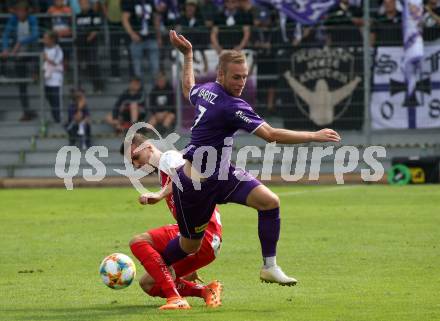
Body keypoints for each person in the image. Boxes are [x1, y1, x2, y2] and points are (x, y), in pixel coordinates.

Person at [163, 30, 341, 287]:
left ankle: (270, 266)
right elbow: (270, 135)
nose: (241, 83)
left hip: (222, 174)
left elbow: (189, 88)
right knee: (190, 245)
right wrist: (313, 134)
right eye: (236, 77)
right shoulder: (231, 106)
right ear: (221, 74)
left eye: (245, 77)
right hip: (195, 186)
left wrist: (188, 56)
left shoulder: (207, 91)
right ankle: (161, 263)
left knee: (270, 202)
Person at [121, 133, 223, 310]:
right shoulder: (164, 172)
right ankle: (206, 291)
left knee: (138, 242)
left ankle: (175, 298)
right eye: (132, 163)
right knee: (149, 283)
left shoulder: (169, 157)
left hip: (205, 231)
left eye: (136, 157)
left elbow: (185, 176)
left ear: (148, 146)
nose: (137, 165)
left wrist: (159, 195)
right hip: (202, 240)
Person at [1, 1, 39, 121]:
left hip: (32, 53)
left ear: (27, 11)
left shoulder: (32, 19)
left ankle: (36, 73)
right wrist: (5, 48)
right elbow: (6, 35)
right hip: (19, 55)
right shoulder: (13, 20)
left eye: (22, 11)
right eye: (18, 11)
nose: (20, 14)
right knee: (22, 85)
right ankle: (26, 111)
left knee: (39, 80)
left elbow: (35, 34)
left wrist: (20, 42)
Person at [121, 0, 161, 80]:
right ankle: (140, 91)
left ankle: (154, 90)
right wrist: (132, 34)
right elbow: (124, 19)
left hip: (151, 37)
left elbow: (156, 19)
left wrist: (158, 36)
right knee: (137, 70)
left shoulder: (150, 1)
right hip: (137, 39)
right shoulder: (130, 2)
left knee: (155, 68)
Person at [75, 0, 104, 93]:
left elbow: (97, 28)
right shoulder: (78, 16)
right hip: (80, 44)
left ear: (88, 4)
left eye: (84, 3)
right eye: (81, 4)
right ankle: (79, 88)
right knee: (78, 65)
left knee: (93, 63)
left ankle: (98, 86)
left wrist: (89, 37)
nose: (83, 5)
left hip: (91, 43)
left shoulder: (94, 14)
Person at [43, 30, 64, 123]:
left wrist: (46, 58)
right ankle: (54, 114)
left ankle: (58, 118)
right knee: (48, 96)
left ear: (52, 40)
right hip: (47, 78)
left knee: (56, 98)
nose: (44, 40)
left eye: (46, 38)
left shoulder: (57, 49)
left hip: (55, 78)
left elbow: (55, 62)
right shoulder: (45, 49)